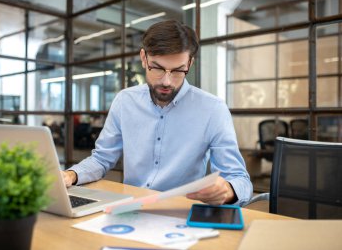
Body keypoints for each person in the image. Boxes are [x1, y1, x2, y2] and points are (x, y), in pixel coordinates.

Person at [62, 20, 252, 206]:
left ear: (190, 63)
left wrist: (228, 190)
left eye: (178, 71)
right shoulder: (125, 101)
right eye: (158, 68)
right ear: (144, 58)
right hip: (130, 209)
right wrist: (71, 175)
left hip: (179, 214)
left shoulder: (212, 109)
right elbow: (101, 159)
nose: (167, 81)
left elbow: (240, 179)